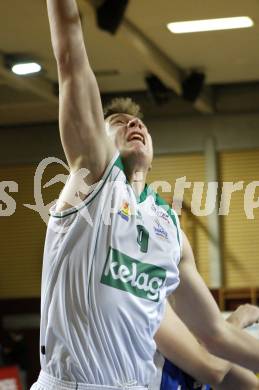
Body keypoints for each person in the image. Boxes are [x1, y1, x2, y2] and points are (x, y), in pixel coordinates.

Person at [32, 1, 259, 389]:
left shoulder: (170, 231)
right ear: (92, 139)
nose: (133, 123)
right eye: (117, 123)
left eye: (138, 122)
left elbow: (216, 337)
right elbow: (70, 56)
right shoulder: (93, 179)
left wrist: (237, 322)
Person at [151, 303, 259, 390]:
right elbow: (213, 368)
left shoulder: (195, 329)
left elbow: (249, 385)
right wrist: (239, 319)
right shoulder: (152, 307)